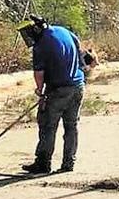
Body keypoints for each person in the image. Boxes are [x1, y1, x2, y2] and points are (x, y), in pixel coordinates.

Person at [16, 15, 95, 174]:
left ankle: (43, 163)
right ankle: (68, 163)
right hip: (78, 86)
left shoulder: (40, 46)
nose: (28, 38)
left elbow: (39, 73)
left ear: (36, 30)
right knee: (71, 126)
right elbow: (79, 47)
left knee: (47, 125)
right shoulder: (63, 31)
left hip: (59, 89)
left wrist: (39, 90)